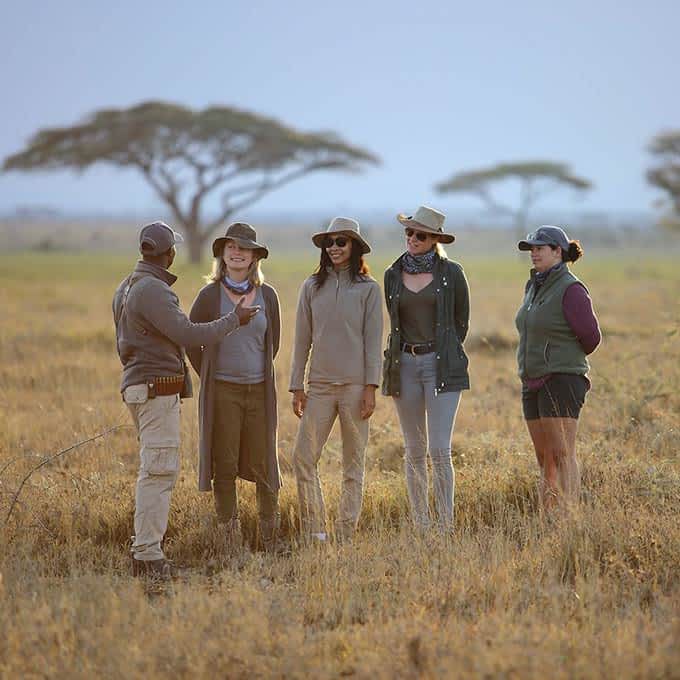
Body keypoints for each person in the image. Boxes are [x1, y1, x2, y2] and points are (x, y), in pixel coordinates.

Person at [113, 221, 259, 578]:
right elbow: (188, 333)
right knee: (159, 472)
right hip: (155, 389)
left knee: (154, 468)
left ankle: (145, 549)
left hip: (139, 386)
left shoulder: (126, 285)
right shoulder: (154, 290)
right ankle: (147, 556)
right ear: (169, 253)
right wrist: (233, 320)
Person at [187, 222, 282, 552]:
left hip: (259, 391)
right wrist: (211, 375)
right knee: (224, 464)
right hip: (223, 392)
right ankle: (230, 539)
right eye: (231, 247)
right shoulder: (209, 296)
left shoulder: (268, 295)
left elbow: (275, 343)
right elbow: (191, 339)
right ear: (222, 255)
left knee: (265, 464)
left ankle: (270, 537)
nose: (237, 252)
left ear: (255, 256)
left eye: (244, 248)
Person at [290, 217, 383, 544]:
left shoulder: (369, 289)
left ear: (354, 246)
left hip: (356, 388)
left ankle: (344, 534)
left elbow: (374, 341)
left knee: (352, 464)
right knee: (303, 458)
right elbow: (302, 340)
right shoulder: (311, 287)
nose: (333, 248)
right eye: (329, 242)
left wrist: (371, 387)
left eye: (341, 242)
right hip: (319, 387)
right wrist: (296, 385)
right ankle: (315, 530)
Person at [382, 206, 470, 533]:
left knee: (439, 450)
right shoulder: (392, 274)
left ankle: (445, 526)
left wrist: (442, 350)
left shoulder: (453, 274)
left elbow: (461, 322)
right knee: (414, 450)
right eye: (409, 233)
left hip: (441, 365)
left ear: (434, 240)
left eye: (420, 235)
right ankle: (421, 524)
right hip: (403, 364)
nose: (412, 239)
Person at [515, 225, 601, 510]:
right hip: (532, 380)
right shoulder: (533, 285)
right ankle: (548, 522)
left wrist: (561, 358)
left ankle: (570, 522)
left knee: (563, 454)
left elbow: (591, 337)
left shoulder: (571, 288)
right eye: (531, 248)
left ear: (558, 252)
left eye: (540, 248)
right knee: (544, 459)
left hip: (562, 380)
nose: (534, 253)